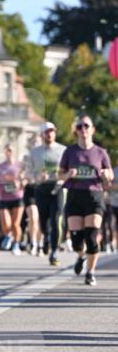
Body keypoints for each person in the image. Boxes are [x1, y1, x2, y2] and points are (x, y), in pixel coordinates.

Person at [58, 115, 113, 286]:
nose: (83, 129)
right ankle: (80, 257)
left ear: (92, 129)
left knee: (91, 237)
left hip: (94, 196)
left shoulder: (100, 153)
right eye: (80, 126)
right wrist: (68, 175)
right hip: (75, 195)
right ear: (77, 131)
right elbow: (60, 174)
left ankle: (90, 272)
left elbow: (110, 175)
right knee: (76, 240)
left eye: (86, 126)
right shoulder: (70, 151)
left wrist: (106, 175)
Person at [24, 122, 66, 267]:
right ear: (42, 135)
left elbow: (67, 169)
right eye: (46, 132)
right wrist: (35, 178)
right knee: (43, 221)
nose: (49, 134)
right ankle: (46, 239)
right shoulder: (34, 152)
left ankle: (54, 252)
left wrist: (63, 175)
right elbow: (28, 172)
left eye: (52, 131)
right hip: (41, 189)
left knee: (55, 220)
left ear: (55, 133)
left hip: (57, 188)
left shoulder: (62, 150)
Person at [0, 144, 25, 255]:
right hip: (4, 197)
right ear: (5, 152)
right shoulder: (0, 166)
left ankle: (16, 244)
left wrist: (20, 183)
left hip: (17, 197)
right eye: (7, 150)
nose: (9, 152)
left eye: (11, 150)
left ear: (14, 151)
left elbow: (25, 180)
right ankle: (9, 235)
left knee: (15, 224)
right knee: (6, 224)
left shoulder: (20, 165)